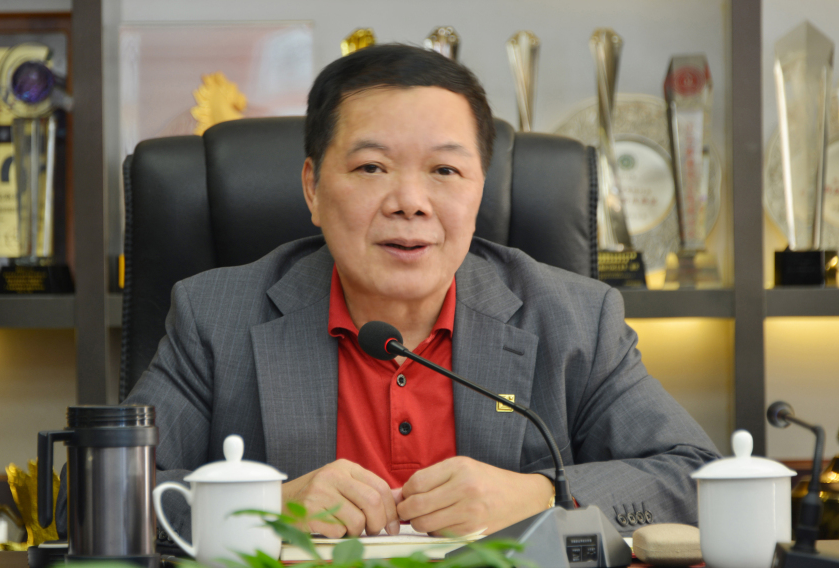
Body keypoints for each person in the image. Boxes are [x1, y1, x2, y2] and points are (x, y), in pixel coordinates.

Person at [125, 44, 719, 541]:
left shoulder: (574, 320)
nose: (409, 202)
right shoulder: (215, 317)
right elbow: (114, 493)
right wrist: (266, 510)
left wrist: (544, 495)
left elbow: (697, 478)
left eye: (444, 171)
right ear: (312, 188)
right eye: (372, 168)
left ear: (479, 191)